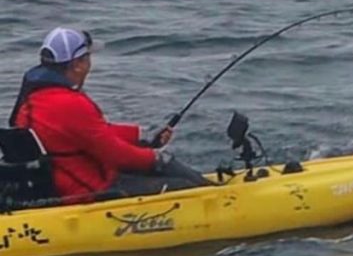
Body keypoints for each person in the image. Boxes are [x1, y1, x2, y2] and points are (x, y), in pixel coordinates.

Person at [9, 27, 206, 204]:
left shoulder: (35, 96)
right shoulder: (70, 103)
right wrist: (155, 157)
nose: (90, 64)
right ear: (77, 64)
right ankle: (213, 196)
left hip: (60, 182)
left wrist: (142, 135)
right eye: (87, 57)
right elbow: (116, 155)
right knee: (178, 181)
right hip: (89, 190)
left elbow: (95, 133)